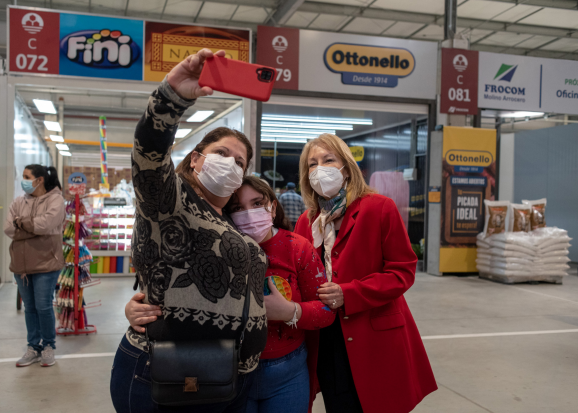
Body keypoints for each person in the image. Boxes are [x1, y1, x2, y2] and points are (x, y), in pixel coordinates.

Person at [111, 49, 268, 413]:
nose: (230, 164)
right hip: (173, 374)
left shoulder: (231, 222)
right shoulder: (170, 201)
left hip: (229, 376)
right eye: (221, 153)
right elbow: (149, 153)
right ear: (196, 158)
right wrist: (173, 95)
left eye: (239, 162)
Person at [294, 133, 437, 413]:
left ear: (346, 168)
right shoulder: (307, 221)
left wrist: (348, 293)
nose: (319, 168)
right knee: (339, 403)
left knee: (377, 403)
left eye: (328, 160)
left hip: (372, 333)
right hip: (326, 336)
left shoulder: (379, 208)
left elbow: (402, 271)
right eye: (312, 164)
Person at [224, 177, 335, 413]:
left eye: (257, 203)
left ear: (273, 207)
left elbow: (327, 312)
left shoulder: (298, 247)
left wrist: (291, 311)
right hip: (230, 371)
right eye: (237, 208)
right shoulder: (217, 251)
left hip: (288, 374)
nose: (249, 213)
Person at [4, 165, 65, 368]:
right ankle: (33, 347)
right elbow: (7, 228)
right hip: (21, 265)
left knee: (44, 306)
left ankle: (48, 346)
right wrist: (31, 226)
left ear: (39, 180)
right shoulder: (19, 202)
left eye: (26, 177)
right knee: (30, 308)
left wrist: (21, 223)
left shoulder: (55, 200)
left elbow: (45, 224)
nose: (24, 180)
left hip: (46, 263)